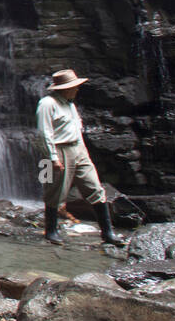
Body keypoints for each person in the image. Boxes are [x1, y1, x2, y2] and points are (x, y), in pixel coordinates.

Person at [36, 69, 127, 247]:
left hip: (78, 148)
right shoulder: (47, 103)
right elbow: (43, 133)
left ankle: (107, 233)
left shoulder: (70, 104)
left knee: (95, 187)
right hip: (57, 150)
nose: (77, 90)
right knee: (54, 190)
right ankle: (51, 231)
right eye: (74, 87)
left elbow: (76, 130)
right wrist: (53, 157)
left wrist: (83, 152)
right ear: (64, 88)